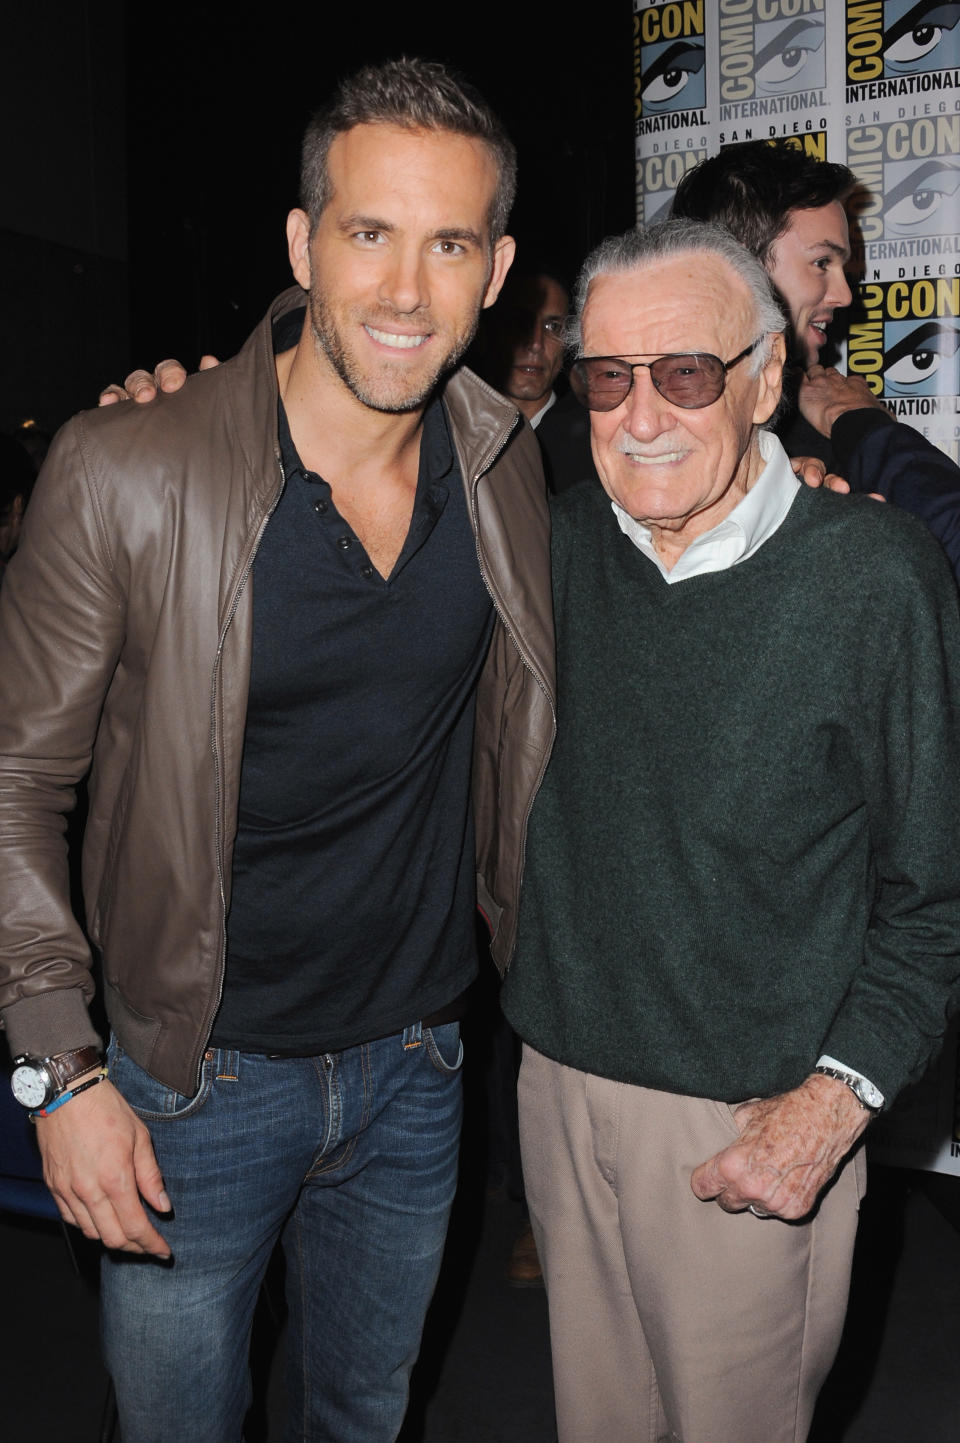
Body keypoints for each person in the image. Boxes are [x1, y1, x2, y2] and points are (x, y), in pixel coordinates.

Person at [0, 58, 556, 1443]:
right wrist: (57, 1072)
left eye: (448, 244)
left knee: (365, 1413)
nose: (405, 290)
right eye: (369, 232)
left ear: (497, 271)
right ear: (303, 243)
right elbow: (17, 782)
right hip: (193, 1082)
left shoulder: (507, 470)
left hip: (423, 1066)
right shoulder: (128, 466)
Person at [499, 219, 960, 1443]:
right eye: (608, 377)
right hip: (557, 1088)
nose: (641, 415)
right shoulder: (551, 548)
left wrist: (836, 1102)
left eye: (686, 374)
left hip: (746, 1123)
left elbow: (941, 887)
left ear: (764, 379)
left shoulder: (872, 575)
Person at [672, 140, 960, 578]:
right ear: (739, 266)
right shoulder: (620, 430)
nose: (845, 295)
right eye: (821, 261)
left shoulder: (828, 432)